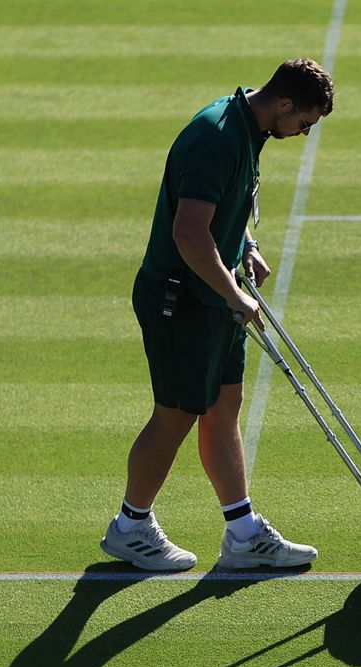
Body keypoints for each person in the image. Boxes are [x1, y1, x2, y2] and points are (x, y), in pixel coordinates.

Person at [100, 59, 333, 572]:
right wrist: (234, 294)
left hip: (212, 293)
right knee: (176, 413)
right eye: (304, 123)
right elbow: (188, 233)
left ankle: (243, 533)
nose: (303, 133)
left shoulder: (251, 129)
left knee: (225, 405)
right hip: (182, 299)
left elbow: (226, 206)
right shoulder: (218, 138)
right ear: (285, 103)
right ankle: (130, 527)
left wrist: (245, 243)